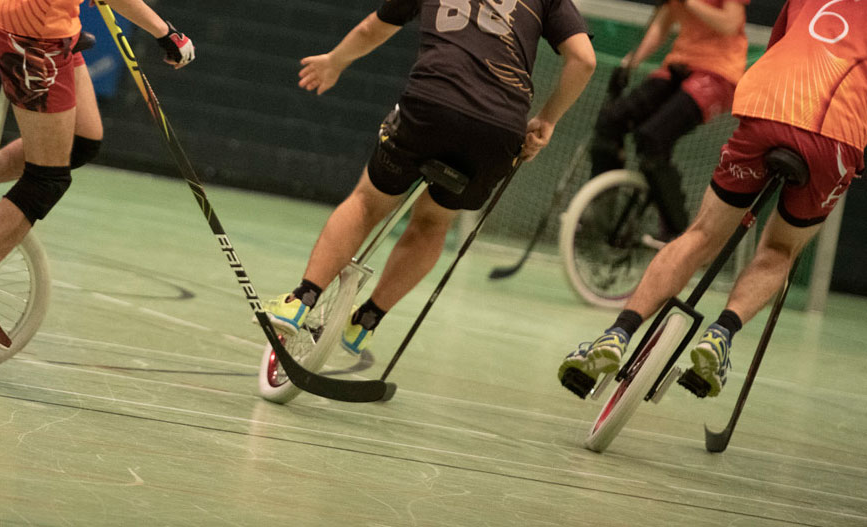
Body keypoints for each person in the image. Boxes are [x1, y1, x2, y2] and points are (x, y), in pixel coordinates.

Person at [559, 0, 866, 398]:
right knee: (778, 249)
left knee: (702, 234)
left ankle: (617, 334)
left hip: (768, 104)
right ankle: (720, 335)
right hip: (836, 131)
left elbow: (778, 44)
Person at [264, 0, 596, 354]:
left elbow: (370, 28)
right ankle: (367, 320)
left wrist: (335, 61)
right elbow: (584, 60)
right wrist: (547, 119)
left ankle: (302, 300)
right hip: (499, 128)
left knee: (367, 203)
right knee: (435, 222)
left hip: (431, 105)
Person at [0, 0, 196, 347]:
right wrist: (166, 33)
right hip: (31, 33)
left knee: (82, 141)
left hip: (42, 22)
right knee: (47, 179)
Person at [590, 0, 749, 245]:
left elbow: (730, 24)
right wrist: (630, 62)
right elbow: (661, 25)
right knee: (611, 121)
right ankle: (602, 212)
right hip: (680, 64)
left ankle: (676, 232)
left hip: (718, 71)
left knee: (653, 137)